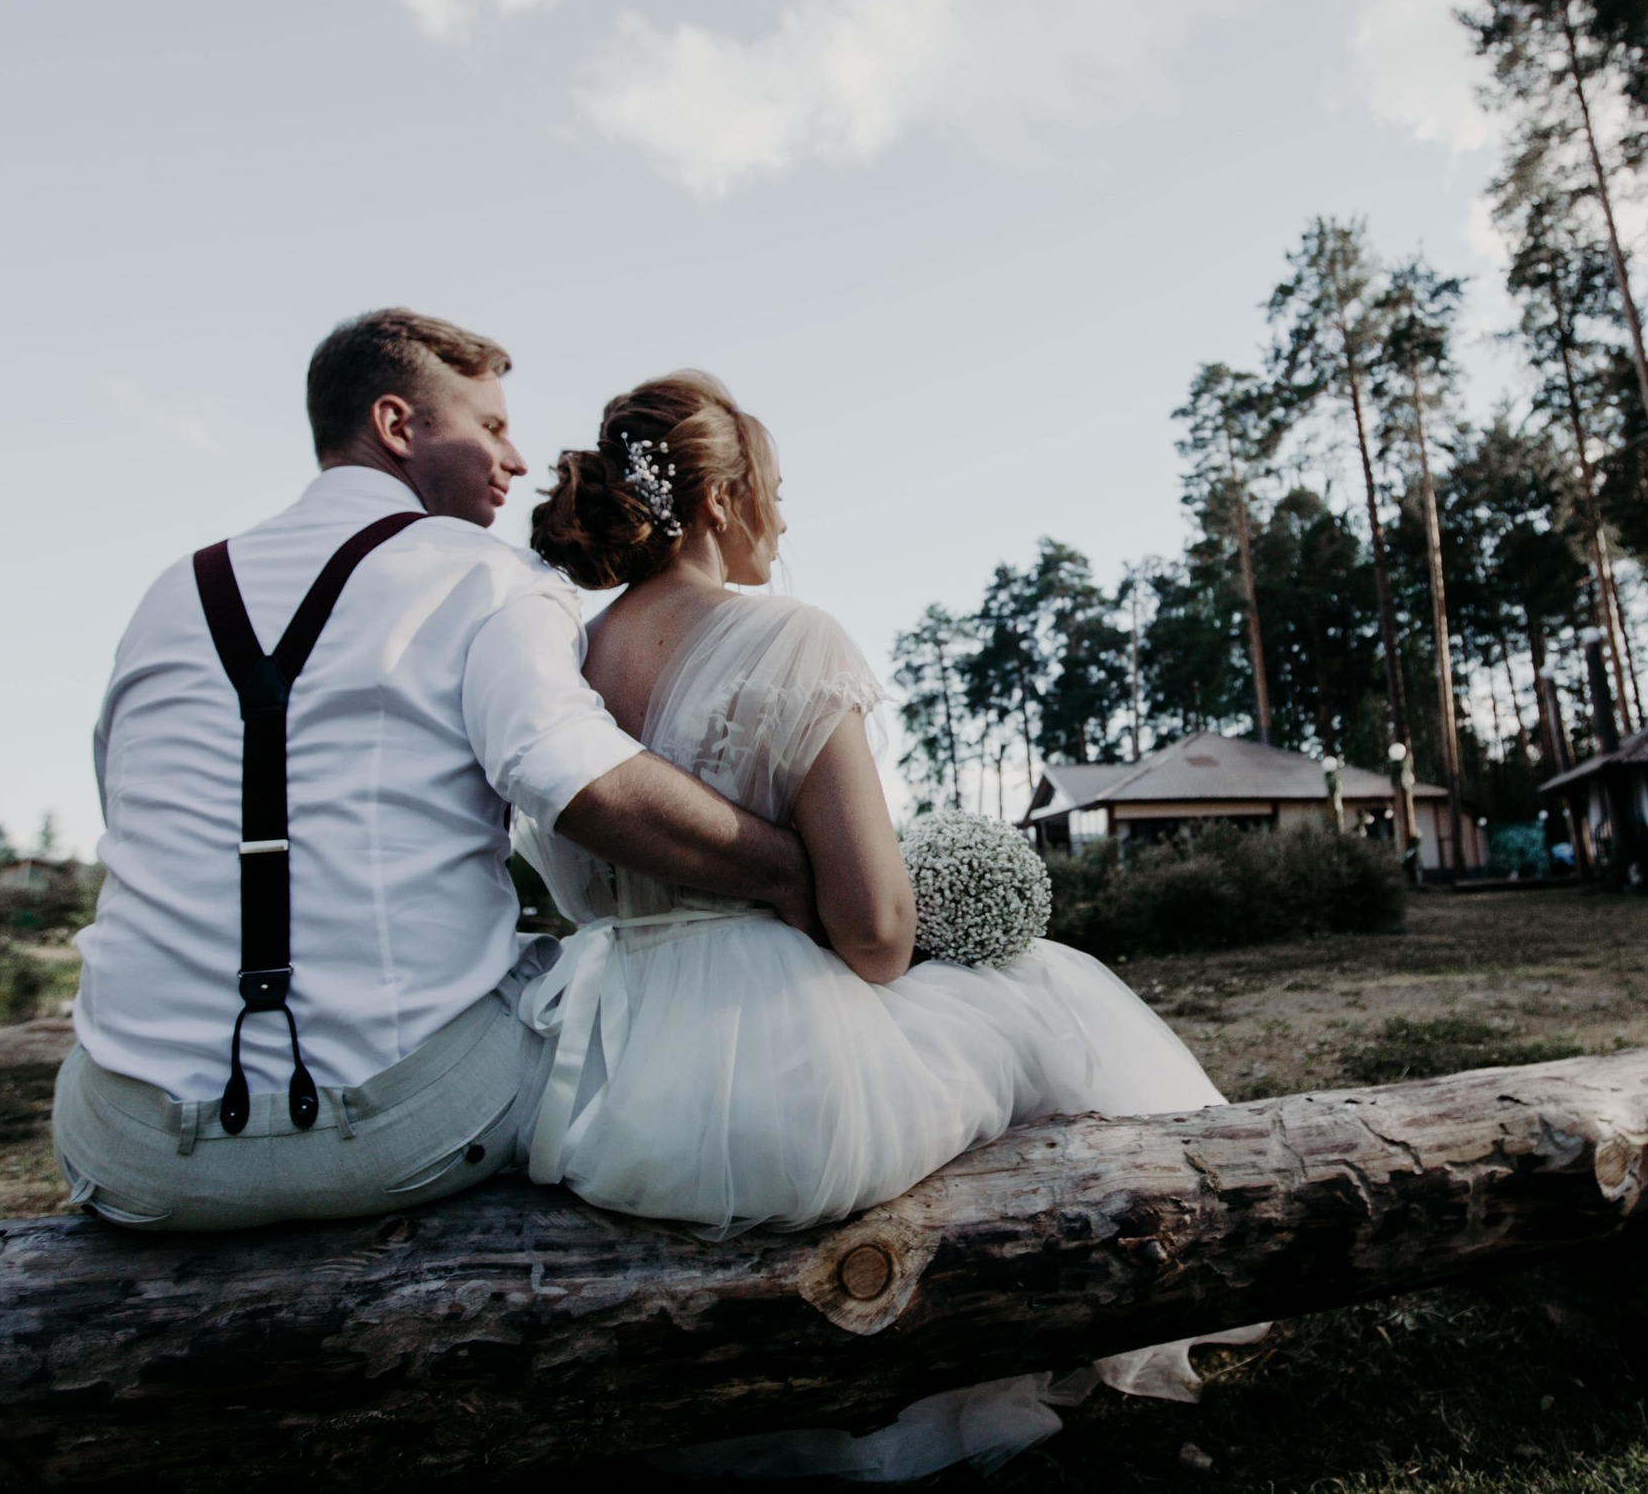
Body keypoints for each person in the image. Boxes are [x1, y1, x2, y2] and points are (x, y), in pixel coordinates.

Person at [509, 371, 1255, 1479]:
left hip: (604, 1086)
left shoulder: (561, 661)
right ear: (717, 502)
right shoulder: (790, 641)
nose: (785, 515)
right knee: (1046, 991)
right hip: (782, 1075)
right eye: (772, 486)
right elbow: (873, 935)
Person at [52, 311, 818, 1233]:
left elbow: (123, 803)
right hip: (403, 1128)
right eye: (489, 426)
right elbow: (573, 776)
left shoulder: (170, 593)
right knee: (614, 983)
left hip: (129, 1147)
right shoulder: (486, 578)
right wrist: (783, 868)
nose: (517, 457)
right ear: (397, 425)